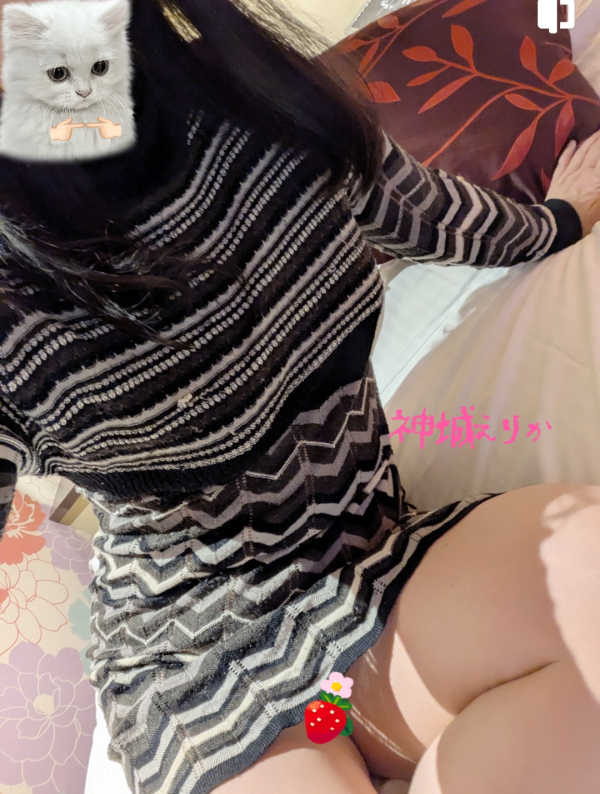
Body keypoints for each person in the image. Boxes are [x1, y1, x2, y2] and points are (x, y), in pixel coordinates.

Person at [0, 1, 599, 793]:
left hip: (372, 578)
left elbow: (430, 217)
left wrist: (558, 220)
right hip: (194, 670)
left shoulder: (263, 99)